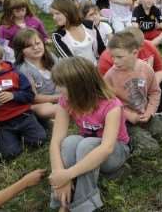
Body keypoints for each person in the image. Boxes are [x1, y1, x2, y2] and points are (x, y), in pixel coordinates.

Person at [48, 57, 130, 212]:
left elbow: (106, 148)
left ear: (79, 86)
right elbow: (56, 141)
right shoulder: (66, 100)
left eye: (61, 85)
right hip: (86, 148)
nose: (57, 89)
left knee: (87, 145)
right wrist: (59, 175)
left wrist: (68, 174)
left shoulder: (111, 105)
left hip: (115, 152)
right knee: (70, 142)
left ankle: (83, 207)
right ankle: (64, 203)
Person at [104, 31, 162, 155]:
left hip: (145, 113)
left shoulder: (145, 68)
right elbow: (108, 104)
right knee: (150, 149)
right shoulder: (110, 76)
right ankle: (128, 141)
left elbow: (155, 92)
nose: (115, 61)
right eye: (112, 57)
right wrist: (129, 115)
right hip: (124, 121)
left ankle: (158, 119)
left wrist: (149, 112)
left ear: (134, 53)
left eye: (119, 57)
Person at [0, 43, 46, 160]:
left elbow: (29, 95)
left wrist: (13, 95)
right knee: (9, 154)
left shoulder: (14, 73)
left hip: (23, 116)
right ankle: (13, 140)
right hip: (3, 124)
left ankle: (39, 122)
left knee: (39, 140)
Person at [13, 28, 59, 120]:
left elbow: (63, 79)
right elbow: (34, 98)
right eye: (29, 46)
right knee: (50, 109)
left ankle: (66, 108)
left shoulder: (51, 57)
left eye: (38, 43)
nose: (35, 48)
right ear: (21, 50)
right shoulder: (23, 69)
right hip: (39, 103)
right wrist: (59, 98)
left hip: (59, 95)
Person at [50, 0, 105, 64]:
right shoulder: (58, 36)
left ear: (68, 11)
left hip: (97, 66)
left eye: (57, 13)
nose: (54, 17)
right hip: (78, 72)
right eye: (52, 14)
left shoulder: (89, 25)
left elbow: (102, 50)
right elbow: (71, 62)